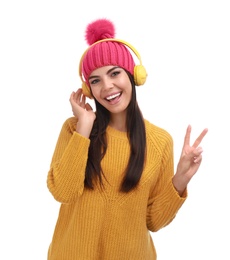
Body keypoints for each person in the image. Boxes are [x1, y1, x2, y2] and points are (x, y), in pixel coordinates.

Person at [46, 18, 208, 260]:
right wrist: (85, 127)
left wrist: (181, 178)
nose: (107, 86)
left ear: (134, 75)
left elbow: (152, 221)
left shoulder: (160, 141)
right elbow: (63, 192)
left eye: (114, 73)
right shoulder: (74, 130)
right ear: (88, 89)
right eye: (95, 80)